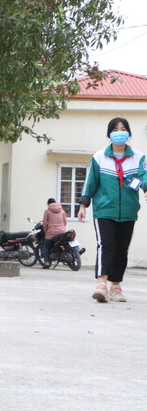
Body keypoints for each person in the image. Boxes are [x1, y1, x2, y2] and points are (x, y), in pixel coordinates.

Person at [77, 117, 147, 303]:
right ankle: (101, 285)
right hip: (104, 210)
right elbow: (90, 182)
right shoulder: (99, 157)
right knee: (106, 245)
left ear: (129, 134)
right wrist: (83, 205)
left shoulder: (138, 157)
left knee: (121, 249)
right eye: (115, 130)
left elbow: (144, 176)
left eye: (123, 129)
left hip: (128, 211)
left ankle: (116, 286)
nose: (119, 133)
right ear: (109, 135)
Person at [41, 197, 67, 268]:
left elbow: (45, 223)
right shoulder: (62, 210)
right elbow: (65, 222)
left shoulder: (47, 211)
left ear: (48, 204)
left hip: (52, 232)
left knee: (45, 247)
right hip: (62, 232)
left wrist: (46, 232)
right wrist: (61, 228)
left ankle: (47, 262)